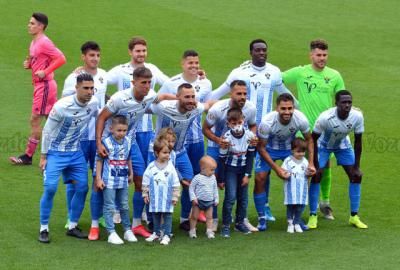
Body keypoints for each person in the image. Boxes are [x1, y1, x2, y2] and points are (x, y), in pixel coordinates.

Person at [211, 39, 297, 222]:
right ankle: (229, 213)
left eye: (264, 50)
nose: (261, 53)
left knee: (262, 171)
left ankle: (263, 208)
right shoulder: (239, 72)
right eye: (257, 50)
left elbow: (284, 92)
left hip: (266, 130)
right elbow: (219, 93)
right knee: (239, 169)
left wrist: (299, 109)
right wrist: (201, 100)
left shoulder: (274, 72)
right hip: (241, 130)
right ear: (251, 52)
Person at [96, 67, 174, 238]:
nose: (146, 86)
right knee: (102, 182)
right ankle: (97, 223)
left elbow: (160, 97)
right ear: (134, 82)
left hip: (130, 143)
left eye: (149, 82)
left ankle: (136, 223)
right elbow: (101, 117)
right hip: (110, 143)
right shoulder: (119, 99)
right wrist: (99, 143)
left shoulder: (149, 95)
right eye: (143, 83)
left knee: (140, 180)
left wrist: (179, 98)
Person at [282, 39, 345, 220]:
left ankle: (324, 203)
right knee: (302, 166)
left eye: (325, 55)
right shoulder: (301, 73)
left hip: (327, 130)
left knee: (324, 166)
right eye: (318, 55)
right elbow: (277, 78)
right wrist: (291, 101)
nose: (322, 58)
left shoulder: (334, 75)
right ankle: (303, 205)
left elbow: (342, 98)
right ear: (311, 55)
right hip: (305, 129)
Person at [38, 73, 98, 243]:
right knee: (50, 189)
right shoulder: (61, 106)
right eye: (86, 88)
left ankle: (72, 226)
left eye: (92, 88)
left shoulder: (93, 103)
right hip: (55, 153)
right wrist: (43, 156)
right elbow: (47, 131)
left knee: (82, 188)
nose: (89, 92)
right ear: (76, 88)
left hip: (75, 153)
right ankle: (43, 228)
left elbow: (99, 119)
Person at [149, 83, 214, 231]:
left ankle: (185, 218)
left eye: (193, 97)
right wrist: (164, 96)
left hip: (180, 152)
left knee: (190, 183)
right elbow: (147, 104)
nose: (191, 100)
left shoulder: (196, 108)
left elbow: (209, 104)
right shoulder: (164, 108)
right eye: (187, 97)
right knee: (157, 184)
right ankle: (153, 220)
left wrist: (229, 103)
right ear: (178, 97)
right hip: (160, 153)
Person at [159, 49, 212, 223]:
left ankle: (188, 217)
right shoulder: (171, 83)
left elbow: (207, 106)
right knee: (166, 178)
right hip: (174, 142)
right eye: (190, 63)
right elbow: (159, 105)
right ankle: (155, 216)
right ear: (183, 64)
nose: (194, 66)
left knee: (193, 180)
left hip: (196, 139)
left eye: (196, 63)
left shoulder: (206, 83)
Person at [62, 41, 108, 240]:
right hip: (78, 138)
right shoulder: (73, 77)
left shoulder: (105, 76)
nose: (95, 59)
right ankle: (71, 217)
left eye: (97, 55)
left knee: (100, 179)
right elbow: (63, 103)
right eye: (91, 55)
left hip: (99, 137)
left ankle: (100, 216)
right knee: (75, 181)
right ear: (83, 57)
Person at [10, 12, 66, 165]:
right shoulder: (35, 41)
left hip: (45, 86)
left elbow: (61, 58)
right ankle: (64, 150)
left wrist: (45, 72)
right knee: (53, 119)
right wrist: (30, 66)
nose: (29, 25)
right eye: (29, 23)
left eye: (32, 23)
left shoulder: (44, 42)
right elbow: (40, 60)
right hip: (41, 86)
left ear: (41, 26)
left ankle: (28, 156)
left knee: (35, 120)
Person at [308, 90, 367, 229]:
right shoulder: (325, 117)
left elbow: (358, 142)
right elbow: (313, 139)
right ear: (336, 103)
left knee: (356, 176)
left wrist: (357, 166)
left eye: (349, 102)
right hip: (322, 146)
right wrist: (314, 164)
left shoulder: (357, 116)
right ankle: (312, 215)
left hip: (343, 146)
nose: (347, 105)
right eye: (344, 102)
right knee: (317, 175)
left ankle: (354, 216)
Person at [203, 79, 257, 232]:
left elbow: (252, 125)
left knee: (241, 190)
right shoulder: (218, 108)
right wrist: (218, 140)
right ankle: (213, 220)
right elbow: (206, 128)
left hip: (239, 150)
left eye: (245, 93)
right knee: (213, 184)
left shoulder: (250, 108)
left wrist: (251, 138)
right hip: (217, 148)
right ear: (231, 93)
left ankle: (242, 220)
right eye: (239, 93)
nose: (242, 97)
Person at [255, 94, 315, 231]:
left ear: (294, 108)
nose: (287, 112)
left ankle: (297, 219)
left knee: (302, 176)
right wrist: (277, 169)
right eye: (283, 108)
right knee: (260, 178)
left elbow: (309, 140)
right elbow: (261, 147)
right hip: (269, 149)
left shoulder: (300, 119)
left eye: (290, 108)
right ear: (277, 108)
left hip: (290, 150)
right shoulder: (267, 123)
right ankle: (261, 217)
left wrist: (310, 163)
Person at [107, 36, 169, 166]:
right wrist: (80, 72)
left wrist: (197, 77)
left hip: (146, 128)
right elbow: (100, 82)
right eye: (138, 51)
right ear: (130, 52)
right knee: (123, 166)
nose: (141, 54)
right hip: (125, 129)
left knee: (148, 166)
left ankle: (141, 187)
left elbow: (170, 84)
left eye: (144, 51)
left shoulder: (152, 69)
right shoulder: (121, 70)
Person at [94, 115, 137, 244]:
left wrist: (131, 173)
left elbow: (128, 158)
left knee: (124, 205)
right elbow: (99, 161)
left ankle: (127, 230)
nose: (122, 133)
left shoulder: (129, 141)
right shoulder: (106, 143)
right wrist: (98, 178)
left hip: (123, 179)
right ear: (111, 129)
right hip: (109, 180)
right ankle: (111, 232)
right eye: (119, 130)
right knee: (110, 206)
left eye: (124, 130)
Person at [219, 108, 256, 237]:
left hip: (243, 169)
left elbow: (251, 155)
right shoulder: (226, 138)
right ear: (228, 124)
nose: (237, 126)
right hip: (231, 170)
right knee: (230, 197)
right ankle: (225, 225)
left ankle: (240, 223)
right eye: (233, 124)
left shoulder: (250, 135)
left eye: (239, 122)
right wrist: (222, 179)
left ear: (243, 121)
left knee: (243, 198)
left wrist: (247, 175)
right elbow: (222, 159)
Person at [142, 139, 180, 245]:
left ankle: (167, 234)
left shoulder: (171, 167)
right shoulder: (151, 166)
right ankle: (157, 233)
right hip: (154, 198)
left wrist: (175, 196)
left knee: (167, 215)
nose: (167, 155)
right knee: (156, 215)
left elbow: (175, 183)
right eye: (164, 152)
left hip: (167, 198)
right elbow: (145, 181)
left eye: (168, 152)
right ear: (156, 153)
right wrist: (145, 194)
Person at [281, 138, 311, 233]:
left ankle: (296, 223)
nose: (301, 154)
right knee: (291, 206)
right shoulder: (287, 161)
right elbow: (283, 172)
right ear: (292, 150)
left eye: (303, 151)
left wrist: (308, 174)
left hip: (302, 188)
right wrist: (286, 175)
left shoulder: (305, 161)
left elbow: (308, 173)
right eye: (298, 152)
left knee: (300, 206)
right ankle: (290, 224)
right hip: (291, 188)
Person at [188, 156, 219, 239]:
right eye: (211, 170)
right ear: (203, 168)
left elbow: (215, 188)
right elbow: (191, 188)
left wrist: (216, 199)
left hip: (209, 202)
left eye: (214, 170)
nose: (213, 172)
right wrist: (193, 198)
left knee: (209, 217)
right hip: (198, 202)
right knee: (194, 216)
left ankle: (209, 231)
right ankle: (192, 230)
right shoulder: (197, 178)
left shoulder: (213, 178)